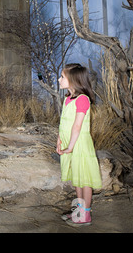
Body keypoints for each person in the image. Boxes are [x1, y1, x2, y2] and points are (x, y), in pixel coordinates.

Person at [56, 63, 102, 227]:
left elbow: (77, 126)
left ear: (73, 80)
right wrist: (60, 141)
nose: (59, 79)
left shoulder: (83, 100)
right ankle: (79, 210)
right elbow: (64, 123)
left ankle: (86, 214)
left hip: (80, 144)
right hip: (69, 143)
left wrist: (71, 147)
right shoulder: (68, 99)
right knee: (77, 177)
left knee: (84, 179)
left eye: (62, 77)